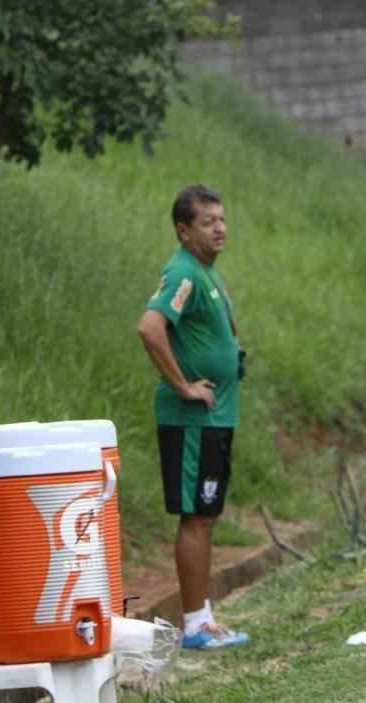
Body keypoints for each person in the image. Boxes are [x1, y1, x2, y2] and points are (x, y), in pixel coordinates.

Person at [137, 184, 249, 652]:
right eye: (208, 221)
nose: (220, 227)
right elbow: (150, 326)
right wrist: (183, 384)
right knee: (196, 518)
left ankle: (204, 618)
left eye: (221, 218)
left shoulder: (206, 272)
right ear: (184, 231)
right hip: (193, 420)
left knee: (207, 514)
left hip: (217, 416)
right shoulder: (183, 272)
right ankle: (196, 624)